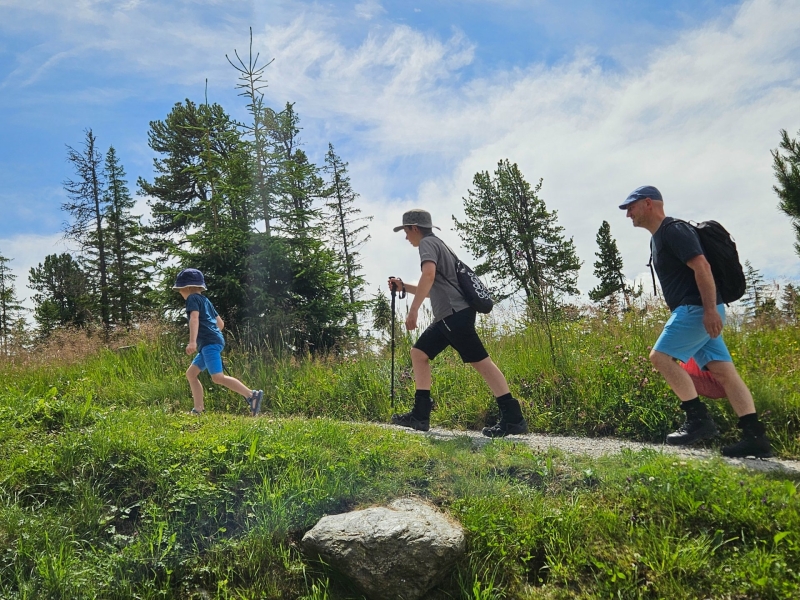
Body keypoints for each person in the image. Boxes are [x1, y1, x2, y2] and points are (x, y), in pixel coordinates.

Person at [620, 186, 772, 457]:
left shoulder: (673, 230)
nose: (628, 214)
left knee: (660, 357)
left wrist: (710, 310)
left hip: (696, 309)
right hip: (699, 310)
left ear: (648, 204)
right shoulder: (657, 239)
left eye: (631, 207)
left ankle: (698, 420)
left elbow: (702, 266)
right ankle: (755, 437)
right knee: (725, 373)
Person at [387, 209, 528, 438]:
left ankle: (513, 419)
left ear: (414, 228)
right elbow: (434, 289)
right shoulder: (439, 244)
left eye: (405, 231)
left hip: (454, 315)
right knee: (419, 353)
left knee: (481, 363)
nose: (405, 237)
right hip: (449, 316)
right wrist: (404, 287)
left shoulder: (427, 244)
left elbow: (428, 276)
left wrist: (413, 311)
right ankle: (420, 416)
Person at [173, 268, 263, 416]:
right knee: (191, 374)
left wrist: (192, 342)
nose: (180, 293)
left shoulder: (192, 299)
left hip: (208, 343)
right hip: (211, 342)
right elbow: (220, 324)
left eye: (180, 289)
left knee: (217, 377)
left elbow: (194, 319)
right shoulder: (206, 301)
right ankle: (198, 409)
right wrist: (211, 336)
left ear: (188, 288)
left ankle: (251, 395)